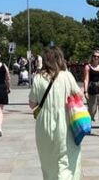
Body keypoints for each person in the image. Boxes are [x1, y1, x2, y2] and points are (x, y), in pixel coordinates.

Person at [28, 47, 83, 179]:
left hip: (44, 125)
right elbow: (79, 96)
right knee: (67, 159)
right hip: (65, 122)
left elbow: (32, 104)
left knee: (48, 161)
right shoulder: (67, 76)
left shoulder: (38, 78)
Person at [83, 49, 99, 137]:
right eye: (95, 56)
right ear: (92, 57)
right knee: (92, 109)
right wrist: (85, 91)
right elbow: (86, 79)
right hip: (92, 87)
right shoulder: (88, 67)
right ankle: (88, 126)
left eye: (98, 57)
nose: (96, 58)